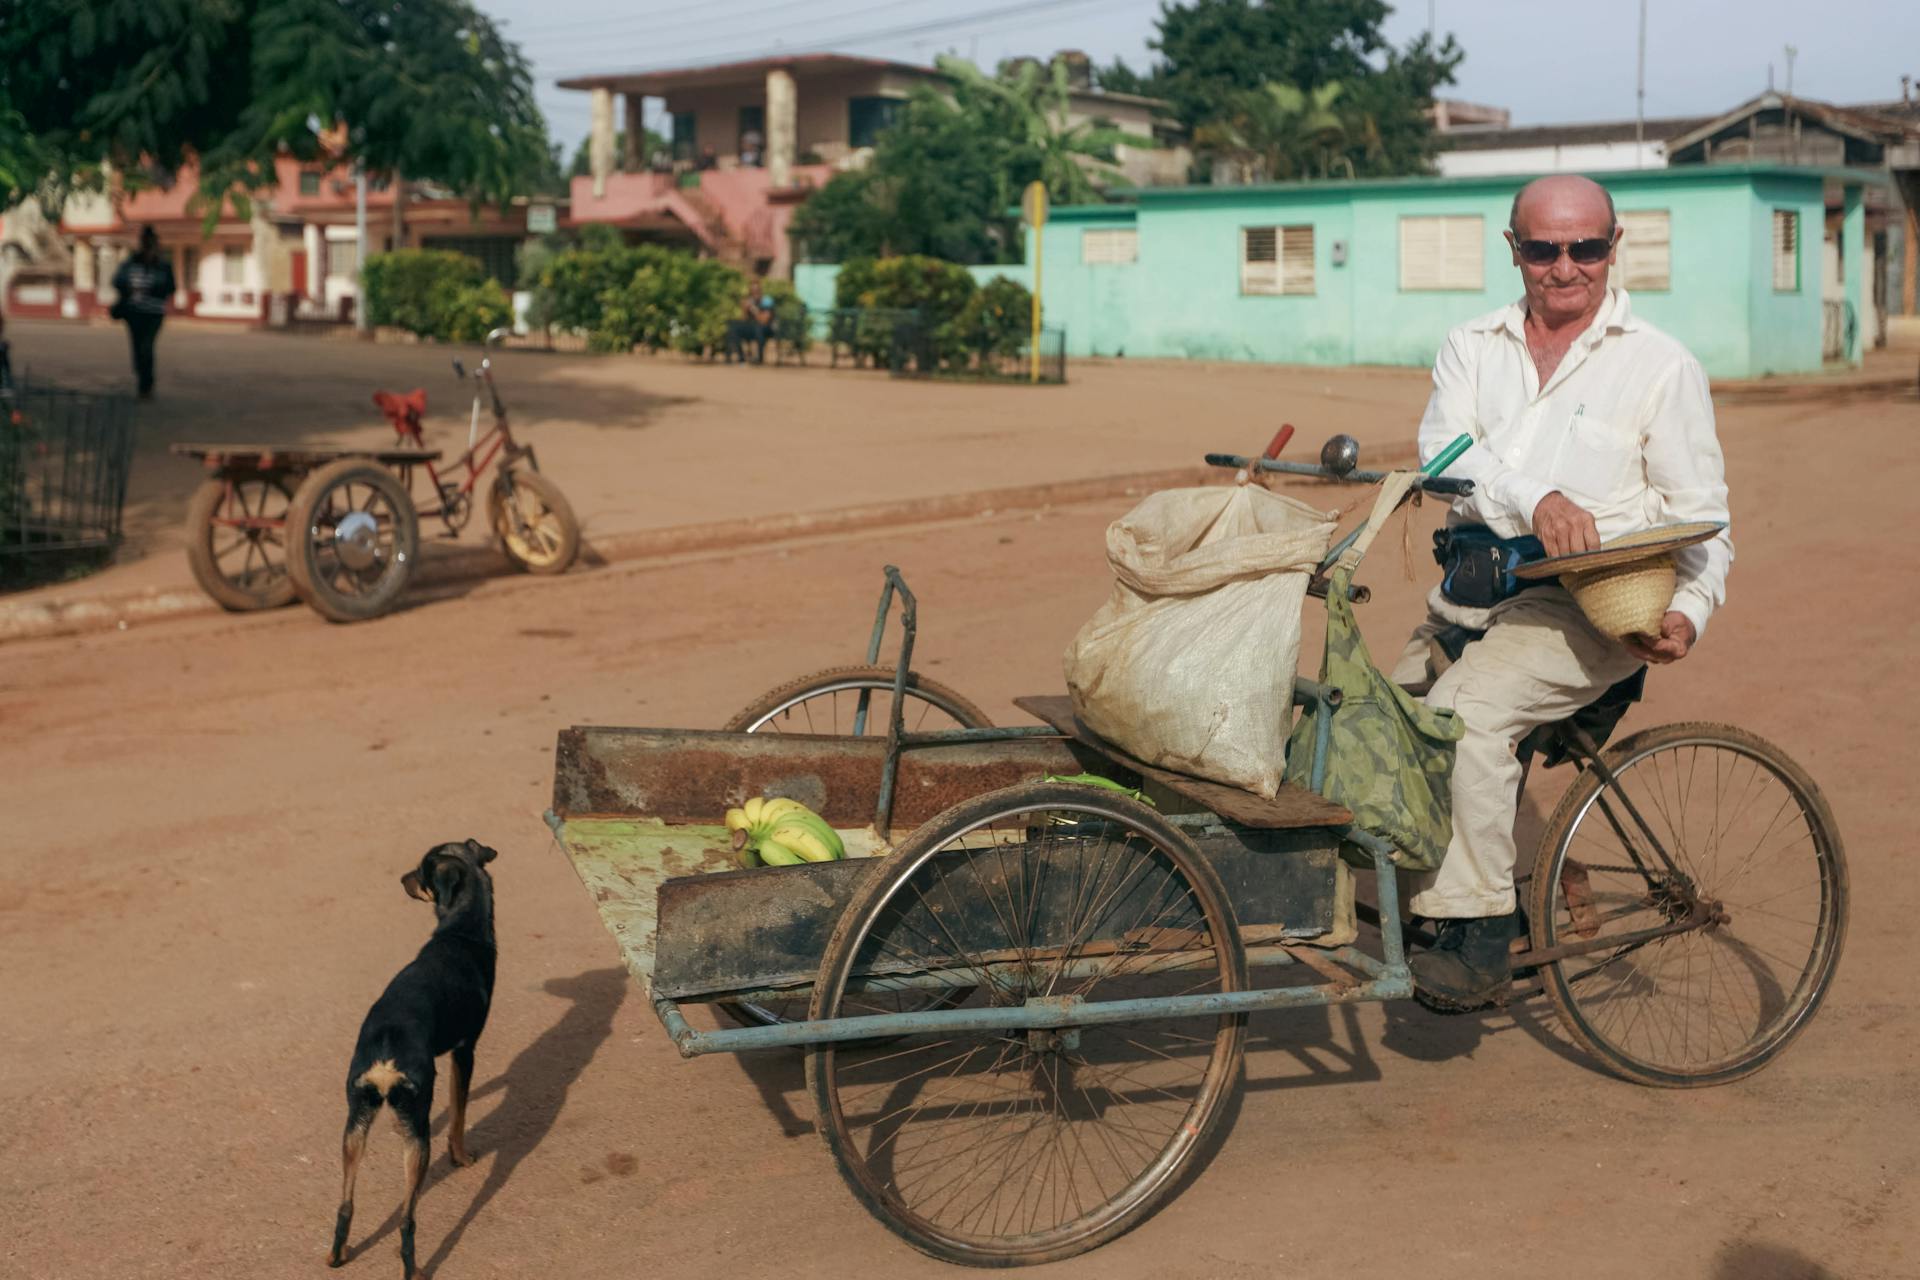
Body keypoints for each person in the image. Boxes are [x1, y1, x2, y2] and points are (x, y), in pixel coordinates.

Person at [1393, 174, 1733, 1010]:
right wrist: (1533, 499)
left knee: (1461, 719)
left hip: (1589, 609)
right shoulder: (1472, 344)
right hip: (1470, 597)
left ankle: (1477, 925)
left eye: (1585, 247)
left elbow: (1705, 522)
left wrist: (1687, 614)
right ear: (1514, 250)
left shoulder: (1659, 366)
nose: (1565, 267)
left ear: (1614, 247)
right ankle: (1530, 875)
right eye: (1544, 248)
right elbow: (1443, 457)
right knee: (1376, 729)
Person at [110, 225, 175, 400]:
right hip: (134, 312)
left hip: (154, 313)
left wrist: (156, 287)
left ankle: (147, 384)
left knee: (147, 347)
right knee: (138, 348)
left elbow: (171, 287)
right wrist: (129, 288)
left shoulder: (163, 266)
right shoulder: (130, 264)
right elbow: (117, 281)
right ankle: (142, 378)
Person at [724, 277, 775, 364]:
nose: (755, 293)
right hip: (752, 327)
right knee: (733, 326)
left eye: (756, 290)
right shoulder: (749, 300)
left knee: (758, 329)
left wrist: (753, 308)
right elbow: (744, 319)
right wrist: (745, 309)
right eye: (752, 291)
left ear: (760, 290)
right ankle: (741, 357)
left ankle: (759, 358)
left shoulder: (767, 300)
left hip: (765, 328)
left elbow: (764, 320)